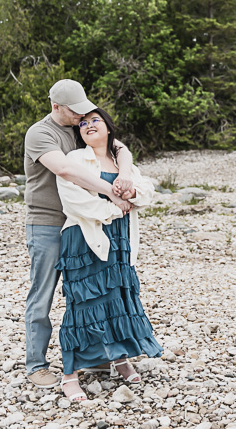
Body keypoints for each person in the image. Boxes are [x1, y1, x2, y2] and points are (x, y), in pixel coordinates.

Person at [23, 80, 135, 389]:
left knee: (88, 291)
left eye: (85, 110)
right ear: (55, 107)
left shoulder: (78, 126)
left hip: (82, 221)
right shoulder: (40, 133)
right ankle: (36, 365)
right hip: (46, 223)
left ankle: (96, 357)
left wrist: (124, 174)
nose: (82, 116)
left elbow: (119, 147)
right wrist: (112, 192)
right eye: (76, 111)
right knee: (42, 293)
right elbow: (65, 170)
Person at [56, 108, 162, 402]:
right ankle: (69, 375)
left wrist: (131, 195)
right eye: (83, 123)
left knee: (118, 297)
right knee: (82, 305)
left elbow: (147, 191)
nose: (88, 125)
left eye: (95, 121)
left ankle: (119, 358)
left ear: (108, 127)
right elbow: (72, 197)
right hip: (86, 236)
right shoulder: (76, 159)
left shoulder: (120, 160)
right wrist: (113, 209)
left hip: (121, 239)